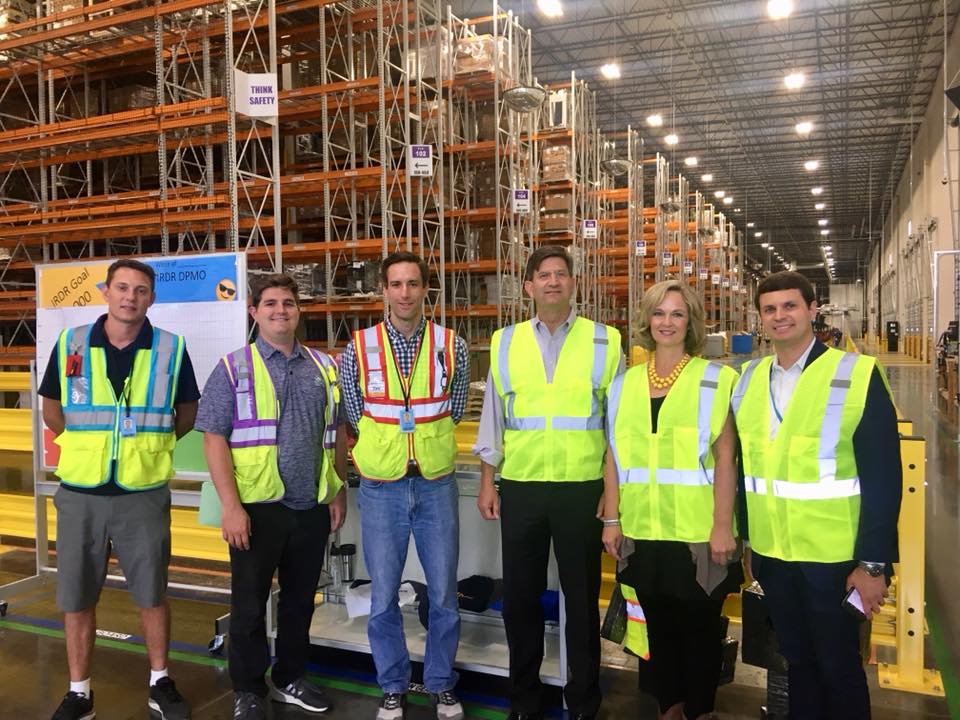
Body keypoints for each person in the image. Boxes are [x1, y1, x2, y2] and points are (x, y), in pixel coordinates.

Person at [732, 271, 902, 720]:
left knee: (839, 667)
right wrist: (749, 542)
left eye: (790, 306)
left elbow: (884, 477)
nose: (780, 316)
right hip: (774, 556)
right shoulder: (748, 379)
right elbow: (747, 468)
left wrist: (873, 564)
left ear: (812, 310)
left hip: (836, 560)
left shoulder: (855, 373)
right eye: (770, 309)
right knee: (797, 663)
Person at [39, 258, 200, 720]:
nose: (131, 297)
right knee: (76, 596)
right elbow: (52, 407)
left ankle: (159, 682)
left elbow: (187, 412)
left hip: (142, 492)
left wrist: (151, 446)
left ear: (152, 298)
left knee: (152, 593)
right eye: (123, 287)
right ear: (105, 291)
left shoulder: (171, 348)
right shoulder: (71, 343)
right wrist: (83, 445)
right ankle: (79, 693)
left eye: (141, 290)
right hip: (81, 493)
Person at [474, 245, 623, 720]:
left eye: (561, 274)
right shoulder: (505, 341)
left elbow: (618, 429)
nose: (553, 281)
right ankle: (525, 700)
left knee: (581, 602)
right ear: (529, 286)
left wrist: (611, 494)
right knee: (520, 599)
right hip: (522, 486)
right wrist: (488, 480)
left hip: (582, 489)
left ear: (573, 283)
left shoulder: (605, 341)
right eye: (544, 275)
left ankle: (583, 701)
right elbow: (494, 418)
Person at [196, 273, 347, 720]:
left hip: (310, 506)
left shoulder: (324, 367)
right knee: (248, 606)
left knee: (300, 603)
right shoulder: (232, 368)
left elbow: (336, 433)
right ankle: (247, 688)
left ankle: (289, 679)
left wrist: (337, 490)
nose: (281, 310)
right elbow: (213, 438)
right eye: (271, 304)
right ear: (254, 312)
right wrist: (231, 506)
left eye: (288, 303)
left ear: (299, 310)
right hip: (255, 509)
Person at [600, 279, 741, 720]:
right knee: (654, 631)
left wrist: (723, 526)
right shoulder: (623, 384)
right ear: (647, 320)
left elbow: (726, 459)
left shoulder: (716, 380)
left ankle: (700, 711)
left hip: (698, 534)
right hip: (641, 531)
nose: (667, 322)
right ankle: (668, 709)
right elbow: (613, 455)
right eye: (659, 313)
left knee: (700, 632)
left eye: (677, 313)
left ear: (691, 322)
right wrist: (611, 519)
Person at [338, 251, 470, 720]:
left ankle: (440, 683)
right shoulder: (360, 347)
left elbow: (455, 408)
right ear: (384, 290)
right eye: (396, 284)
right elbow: (355, 412)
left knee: (444, 595)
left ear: (425, 289)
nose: (405, 293)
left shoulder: (451, 345)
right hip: (382, 488)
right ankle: (392, 686)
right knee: (383, 597)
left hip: (435, 484)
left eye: (413, 283)